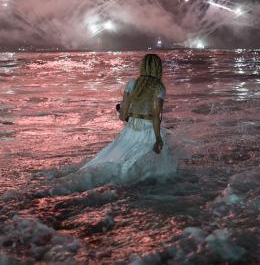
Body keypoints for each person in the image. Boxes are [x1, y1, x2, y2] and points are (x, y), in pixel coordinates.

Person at [56, 54, 176, 192]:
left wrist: (122, 112)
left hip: (131, 128)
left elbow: (123, 115)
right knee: (152, 164)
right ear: (158, 68)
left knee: (114, 159)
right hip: (148, 130)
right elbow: (156, 116)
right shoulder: (159, 88)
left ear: (142, 67)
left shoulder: (132, 84)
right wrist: (158, 138)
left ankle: (91, 183)